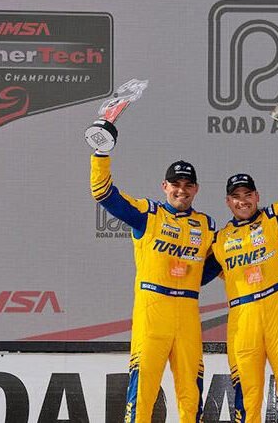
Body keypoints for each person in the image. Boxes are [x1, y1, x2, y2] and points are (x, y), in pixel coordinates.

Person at [203, 112, 278, 423]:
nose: (243, 201)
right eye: (236, 197)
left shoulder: (276, 220)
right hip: (243, 321)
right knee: (247, 403)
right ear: (228, 202)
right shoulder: (220, 240)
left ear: (257, 196)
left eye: (247, 195)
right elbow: (193, 277)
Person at [91, 146, 216, 423]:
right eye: (175, 184)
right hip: (152, 313)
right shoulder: (147, 214)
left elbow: (210, 270)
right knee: (142, 393)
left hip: (187, 316)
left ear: (196, 189)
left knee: (191, 395)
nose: (181, 190)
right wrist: (101, 152)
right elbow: (103, 193)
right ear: (164, 186)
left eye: (188, 185)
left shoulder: (206, 225)